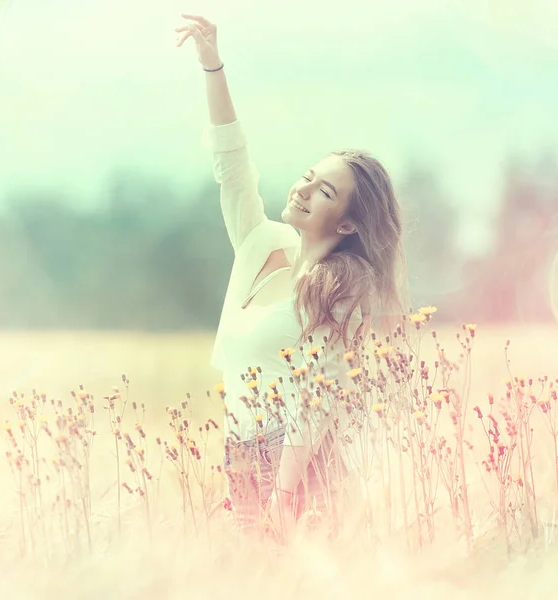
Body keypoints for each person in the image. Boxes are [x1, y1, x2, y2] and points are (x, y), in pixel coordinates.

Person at [175, 13, 408, 540]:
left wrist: (281, 495)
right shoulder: (261, 244)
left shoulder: (341, 284)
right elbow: (231, 164)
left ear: (348, 222)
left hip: (299, 469)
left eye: (324, 191)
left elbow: (315, 400)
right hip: (240, 452)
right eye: (308, 176)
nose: (303, 189)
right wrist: (212, 65)